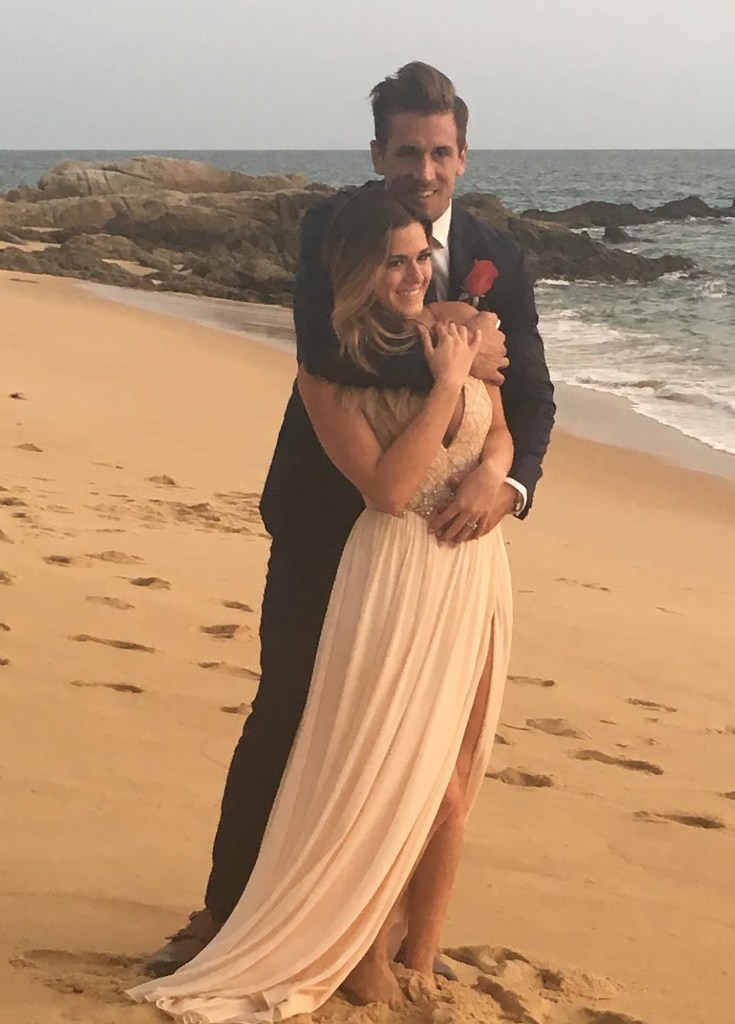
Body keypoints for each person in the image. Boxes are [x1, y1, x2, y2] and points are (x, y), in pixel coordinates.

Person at [145, 61, 555, 978]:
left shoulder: (502, 253)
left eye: (442, 151)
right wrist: (447, 341)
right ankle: (228, 909)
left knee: (429, 744)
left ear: (462, 153)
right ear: (377, 152)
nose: (425, 168)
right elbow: (325, 345)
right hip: (328, 516)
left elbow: (531, 387)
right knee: (291, 707)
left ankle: (391, 927)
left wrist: (511, 479)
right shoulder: (334, 227)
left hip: (452, 543)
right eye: (407, 150)